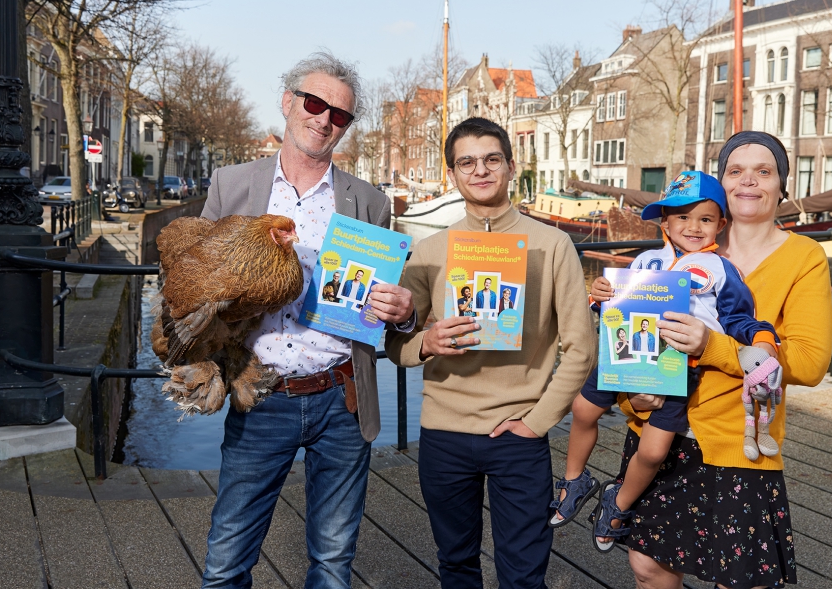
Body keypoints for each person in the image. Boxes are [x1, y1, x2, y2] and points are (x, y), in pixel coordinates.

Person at [199, 51, 416, 589]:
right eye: (315, 103)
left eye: (339, 114)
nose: (324, 119)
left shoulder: (369, 202)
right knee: (226, 563)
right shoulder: (232, 185)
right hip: (261, 393)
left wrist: (404, 314)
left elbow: (387, 311)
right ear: (288, 101)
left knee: (334, 564)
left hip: (342, 398)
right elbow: (192, 276)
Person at [385, 117, 597, 589]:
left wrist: (536, 422)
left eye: (491, 159)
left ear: (510, 166)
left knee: (523, 574)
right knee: (456, 564)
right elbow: (396, 345)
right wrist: (426, 342)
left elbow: (581, 350)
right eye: (467, 162)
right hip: (443, 434)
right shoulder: (429, 251)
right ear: (453, 175)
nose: (480, 170)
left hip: (519, 434)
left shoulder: (554, 245)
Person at [621, 133, 832, 589]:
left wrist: (710, 346)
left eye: (764, 171)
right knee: (649, 567)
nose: (749, 182)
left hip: (738, 441)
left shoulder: (803, 258)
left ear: (782, 186)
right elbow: (634, 338)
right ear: (720, 185)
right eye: (735, 171)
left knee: (741, 580)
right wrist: (630, 400)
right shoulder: (680, 249)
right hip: (661, 430)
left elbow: (812, 361)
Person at [549, 171, 778, 551]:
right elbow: (614, 307)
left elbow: (739, 316)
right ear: (665, 223)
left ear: (720, 224)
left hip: (677, 366)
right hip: (624, 353)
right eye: (682, 217)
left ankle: (618, 501)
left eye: (705, 219)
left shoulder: (723, 269)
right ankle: (575, 479)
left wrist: (762, 336)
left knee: (653, 451)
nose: (693, 227)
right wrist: (600, 295)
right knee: (582, 410)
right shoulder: (645, 261)